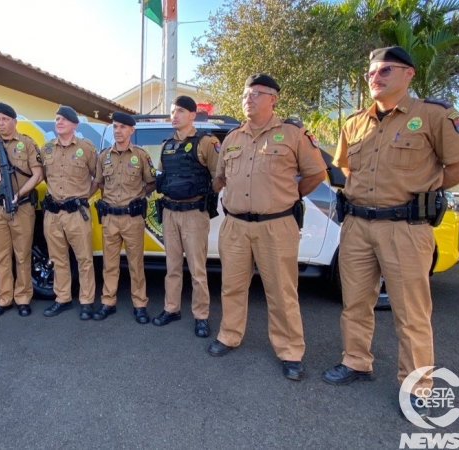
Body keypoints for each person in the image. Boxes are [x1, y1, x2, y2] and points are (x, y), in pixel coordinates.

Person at [320, 47, 459, 416]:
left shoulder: (433, 115)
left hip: (405, 227)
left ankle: (418, 385)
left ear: (409, 74)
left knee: (411, 313)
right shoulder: (355, 122)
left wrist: (423, 187)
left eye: (385, 70)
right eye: (371, 72)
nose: (375, 77)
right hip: (357, 225)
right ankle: (356, 361)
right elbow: (344, 171)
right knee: (355, 303)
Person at [207, 74, 327, 382]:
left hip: (276, 226)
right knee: (231, 286)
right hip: (235, 225)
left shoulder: (292, 133)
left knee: (281, 291)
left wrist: (286, 197)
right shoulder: (232, 138)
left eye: (257, 93)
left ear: (273, 99)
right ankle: (229, 335)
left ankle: (290, 351)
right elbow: (219, 178)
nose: (249, 98)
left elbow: (315, 174)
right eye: (246, 93)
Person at [152, 96, 221, 338]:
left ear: (193, 115)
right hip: (170, 213)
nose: (174, 115)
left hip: (194, 214)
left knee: (197, 269)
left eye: (180, 111)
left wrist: (202, 198)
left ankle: (201, 316)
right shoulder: (167, 145)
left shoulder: (206, 142)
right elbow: (163, 175)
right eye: (172, 111)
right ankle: (171, 309)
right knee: (172, 267)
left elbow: (218, 177)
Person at [0, 102, 43, 318]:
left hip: (21, 208)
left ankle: (22, 298)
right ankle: (3, 299)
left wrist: (19, 194)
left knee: (22, 255)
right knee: (1, 256)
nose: (1, 123)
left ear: (14, 122)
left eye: (5, 119)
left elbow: (38, 174)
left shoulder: (27, 143)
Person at [93, 112, 156, 322]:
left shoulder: (141, 155)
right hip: (110, 217)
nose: (118, 131)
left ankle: (140, 304)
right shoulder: (104, 156)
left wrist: (138, 197)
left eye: (122, 127)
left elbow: (151, 182)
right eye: (115, 127)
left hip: (132, 218)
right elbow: (100, 183)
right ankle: (108, 302)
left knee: (135, 264)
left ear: (131, 130)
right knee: (109, 264)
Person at [41, 106, 99, 320]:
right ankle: (62, 298)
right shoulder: (46, 149)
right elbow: (47, 178)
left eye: (64, 119)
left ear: (74, 124)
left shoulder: (87, 148)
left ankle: (86, 302)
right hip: (53, 214)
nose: (59, 122)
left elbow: (98, 178)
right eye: (57, 119)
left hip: (77, 214)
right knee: (58, 259)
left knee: (84, 259)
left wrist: (83, 196)